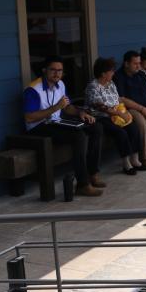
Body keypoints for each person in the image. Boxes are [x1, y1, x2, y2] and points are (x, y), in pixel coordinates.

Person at [23, 56, 104, 197]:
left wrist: (80, 113)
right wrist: (55, 108)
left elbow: (67, 108)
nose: (57, 74)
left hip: (56, 122)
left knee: (95, 127)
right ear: (44, 70)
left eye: (60, 70)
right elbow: (29, 117)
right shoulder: (33, 89)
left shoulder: (60, 84)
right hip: (39, 127)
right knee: (79, 136)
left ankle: (93, 173)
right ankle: (82, 185)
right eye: (53, 70)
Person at [85, 57, 146, 175]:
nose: (113, 73)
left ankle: (135, 159)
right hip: (101, 117)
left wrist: (124, 112)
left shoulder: (111, 83)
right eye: (111, 71)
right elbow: (100, 107)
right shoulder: (93, 86)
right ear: (103, 73)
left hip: (117, 113)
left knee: (133, 127)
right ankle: (126, 163)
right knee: (120, 132)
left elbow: (117, 100)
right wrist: (119, 114)